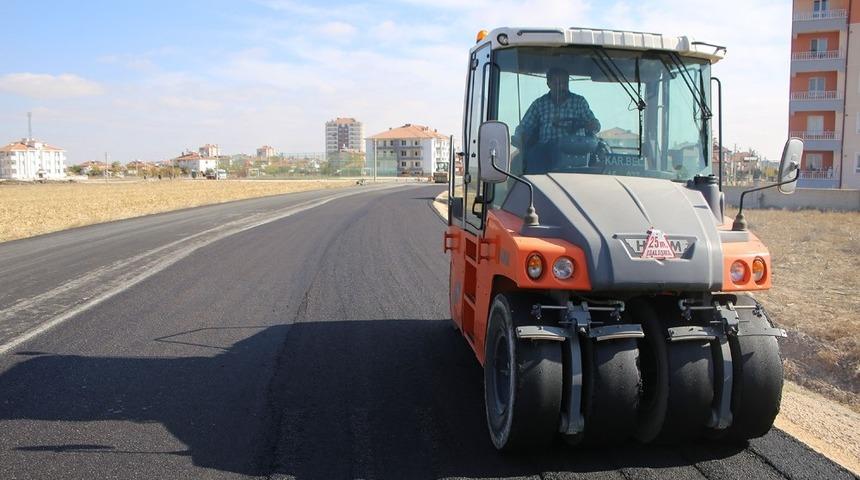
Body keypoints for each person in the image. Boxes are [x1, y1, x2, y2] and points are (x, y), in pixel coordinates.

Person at [513, 67, 601, 172]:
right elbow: (524, 127)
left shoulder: (579, 102)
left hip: (575, 153)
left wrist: (590, 125)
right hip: (545, 153)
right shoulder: (539, 104)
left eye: (565, 83)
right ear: (548, 84)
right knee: (532, 156)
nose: (562, 87)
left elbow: (595, 125)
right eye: (557, 84)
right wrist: (521, 137)